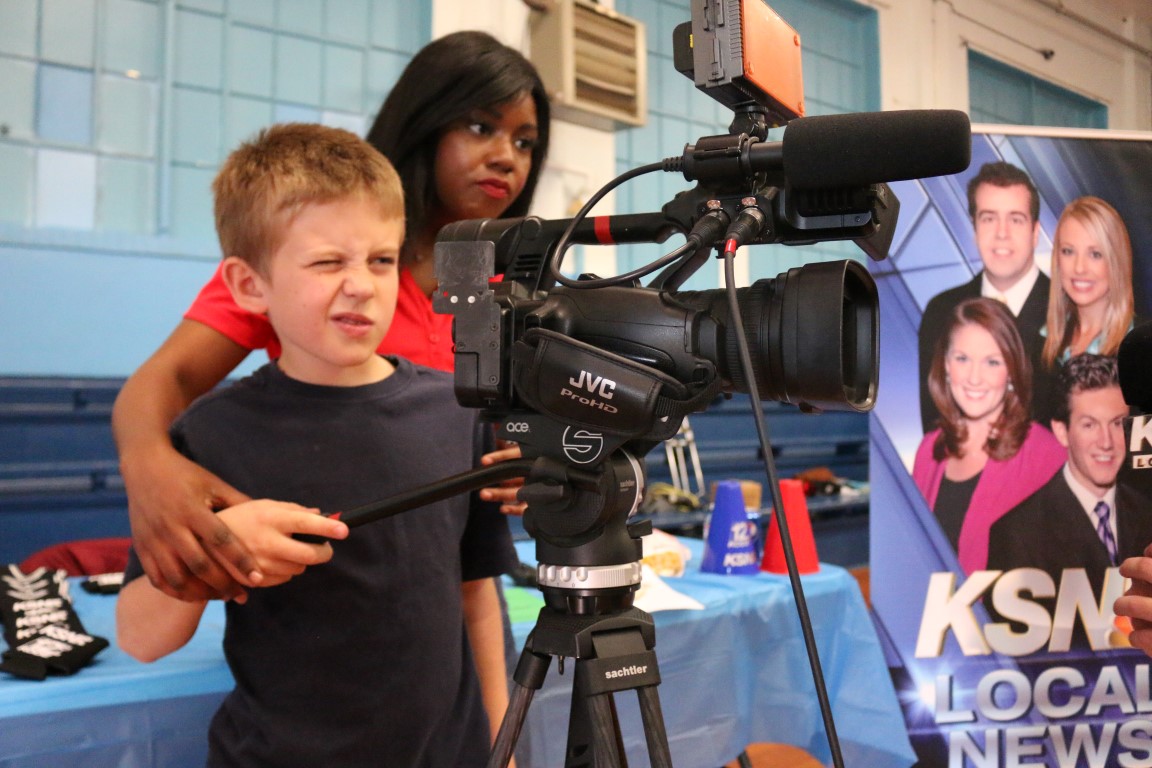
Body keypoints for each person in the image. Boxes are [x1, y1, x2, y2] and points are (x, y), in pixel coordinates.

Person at [116, 123, 519, 766]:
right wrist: (222, 549)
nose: (361, 284)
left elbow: (477, 599)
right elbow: (142, 639)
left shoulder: (455, 413)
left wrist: (504, 750)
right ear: (249, 286)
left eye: (381, 260)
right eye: (329, 261)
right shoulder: (212, 433)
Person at [111, 30, 550, 603]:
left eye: (525, 142)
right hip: (314, 587)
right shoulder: (297, 266)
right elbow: (165, 379)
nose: (505, 156)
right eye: (479, 126)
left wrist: (530, 461)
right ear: (423, 122)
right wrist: (149, 469)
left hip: (442, 588)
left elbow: (492, 438)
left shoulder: (508, 292)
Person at [912, 297, 1066, 574]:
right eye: (962, 359)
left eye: (992, 362)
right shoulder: (929, 450)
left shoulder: (1046, 454)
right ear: (945, 364)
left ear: (1012, 370)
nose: (974, 378)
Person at [988, 354, 1150, 598]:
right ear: (1062, 432)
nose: (1106, 442)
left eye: (1117, 423)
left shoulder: (1146, 513)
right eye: (1089, 425)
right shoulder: (1017, 534)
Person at [918, 161, 1050, 432]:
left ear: (1035, 232)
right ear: (975, 228)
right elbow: (935, 427)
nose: (1002, 234)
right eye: (989, 218)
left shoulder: (1069, 310)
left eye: (1015, 219)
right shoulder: (941, 312)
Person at [1041, 195, 1135, 369]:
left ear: (1117, 262)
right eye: (1068, 251)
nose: (1079, 268)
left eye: (1095, 254)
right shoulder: (1042, 341)